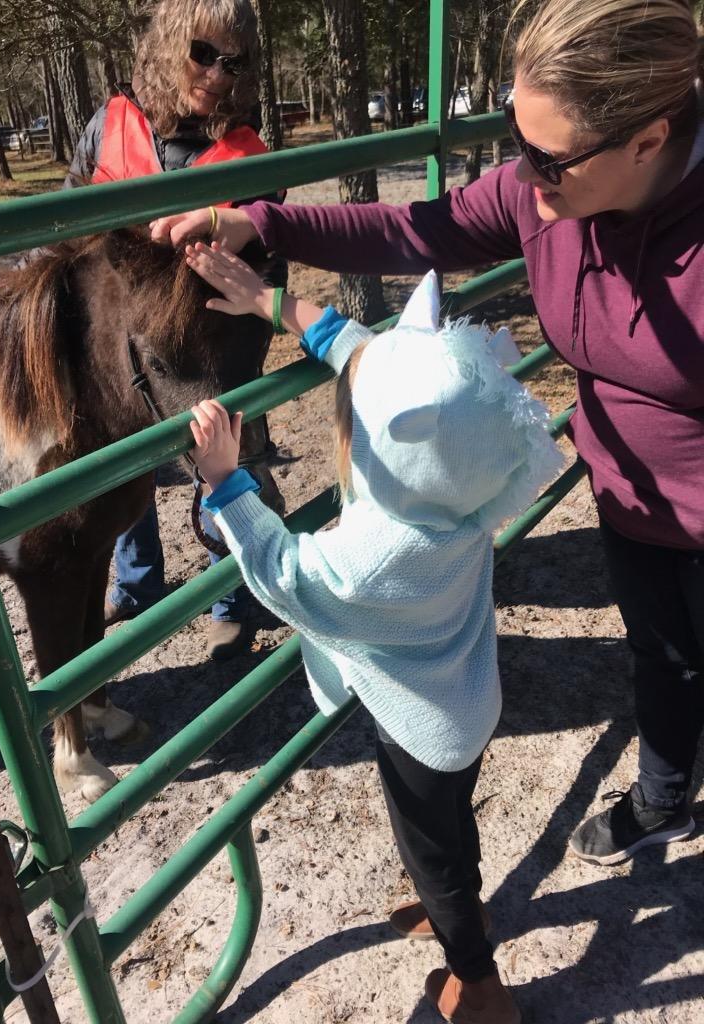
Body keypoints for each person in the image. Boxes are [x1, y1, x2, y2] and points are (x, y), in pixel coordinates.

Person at [153, 0, 704, 864]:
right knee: (661, 652)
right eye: (516, 139)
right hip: (629, 495)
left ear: (648, 141)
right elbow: (417, 230)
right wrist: (265, 221)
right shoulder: (546, 192)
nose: (524, 175)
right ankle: (665, 797)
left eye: (546, 156)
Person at [183, 241, 562, 1022]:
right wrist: (268, 302)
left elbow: (282, 572)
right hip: (466, 703)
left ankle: (479, 983)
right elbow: (367, 358)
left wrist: (226, 481)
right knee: (451, 826)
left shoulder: (376, 556)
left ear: (391, 437)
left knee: (430, 847)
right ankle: (460, 904)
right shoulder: (456, 480)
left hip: (420, 727)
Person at [66, 0, 286, 659]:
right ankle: (137, 586)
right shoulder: (109, 124)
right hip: (116, 346)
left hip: (206, 350)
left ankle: (232, 598)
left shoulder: (246, 151)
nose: (217, 75)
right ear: (169, 44)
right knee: (120, 461)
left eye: (233, 63)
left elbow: (271, 257)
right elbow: (67, 226)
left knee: (223, 462)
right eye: (203, 54)